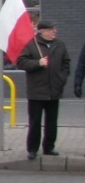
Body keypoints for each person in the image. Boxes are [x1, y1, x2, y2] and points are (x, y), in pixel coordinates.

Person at [16, 20, 70, 159]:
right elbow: (21, 62)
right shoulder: (31, 44)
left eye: (55, 29)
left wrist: (61, 79)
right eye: (52, 29)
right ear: (43, 31)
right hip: (36, 91)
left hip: (54, 90)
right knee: (35, 122)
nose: (55, 31)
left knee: (51, 122)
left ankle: (49, 147)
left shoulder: (60, 45)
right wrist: (37, 63)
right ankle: (32, 149)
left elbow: (66, 63)